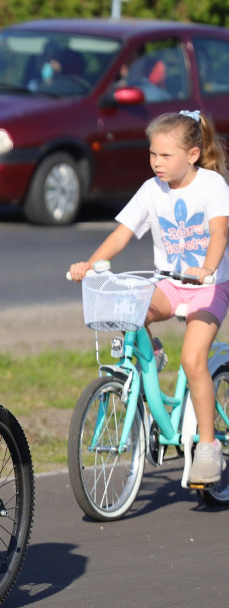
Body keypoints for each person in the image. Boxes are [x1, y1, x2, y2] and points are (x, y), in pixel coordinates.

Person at [68, 110, 229, 485]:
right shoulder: (151, 190)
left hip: (210, 286)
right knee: (129, 313)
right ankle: (150, 352)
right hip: (170, 283)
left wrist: (207, 267)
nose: (157, 163)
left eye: (166, 156)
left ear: (192, 154)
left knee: (193, 360)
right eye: (152, 154)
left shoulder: (212, 186)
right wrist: (90, 265)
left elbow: (220, 233)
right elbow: (121, 234)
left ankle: (207, 446)